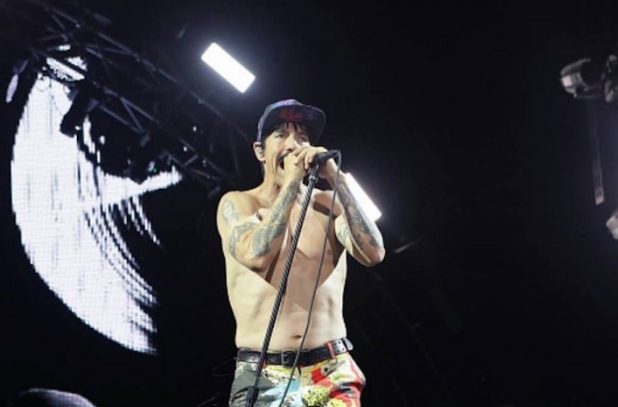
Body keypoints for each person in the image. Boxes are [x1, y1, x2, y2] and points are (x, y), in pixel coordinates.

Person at [216, 99, 386, 406]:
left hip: (331, 369)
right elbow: (257, 255)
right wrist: (292, 183)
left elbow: (374, 254)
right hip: (265, 375)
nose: (294, 145)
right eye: (281, 135)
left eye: (303, 137)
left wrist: (338, 181)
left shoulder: (329, 204)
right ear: (260, 151)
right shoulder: (239, 204)